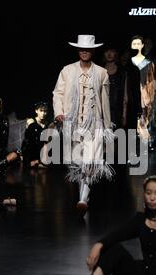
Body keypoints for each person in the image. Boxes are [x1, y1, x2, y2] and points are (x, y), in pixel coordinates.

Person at [52, 34, 114, 214]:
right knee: (77, 162)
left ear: (93, 51)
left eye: (88, 49)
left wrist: (107, 128)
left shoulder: (102, 73)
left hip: (94, 125)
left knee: (90, 162)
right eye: (82, 49)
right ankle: (84, 195)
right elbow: (58, 93)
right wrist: (59, 113)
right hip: (72, 123)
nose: (85, 52)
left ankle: (82, 200)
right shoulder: (67, 70)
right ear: (78, 50)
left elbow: (105, 101)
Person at [22, 102, 50, 168]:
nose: (43, 113)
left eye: (45, 111)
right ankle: (36, 161)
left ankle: (39, 161)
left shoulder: (47, 123)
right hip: (31, 147)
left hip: (41, 148)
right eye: (41, 111)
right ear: (36, 111)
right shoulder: (31, 121)